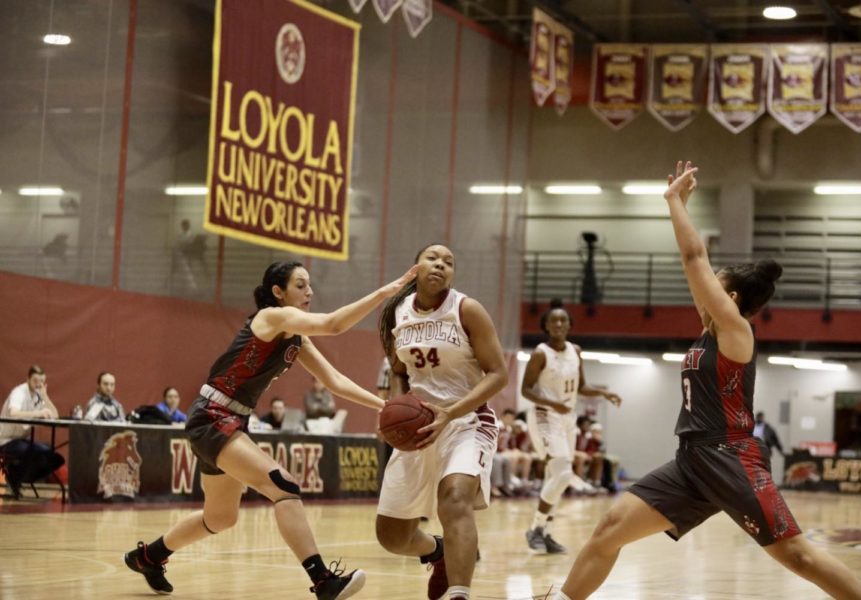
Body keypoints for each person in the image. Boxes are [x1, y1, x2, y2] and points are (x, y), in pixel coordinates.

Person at [553, 162, 861, 600]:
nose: (702, 289)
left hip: (731, 457)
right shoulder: (710, 330)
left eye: (714, 286)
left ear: (732, 298)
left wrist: (672, 203)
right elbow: (693, 266)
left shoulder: (736, 331)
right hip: (691, 461)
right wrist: (681, 210)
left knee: (797, 555)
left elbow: (694, 258)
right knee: (609, 530)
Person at [123, 259, 417, 599]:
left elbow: (334, 381)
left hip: (229, 419)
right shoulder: (272, 317)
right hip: (212, 415)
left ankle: (150, 556)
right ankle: (323, 581)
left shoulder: (296, 338)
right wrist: (386, 290)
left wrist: (385, 407)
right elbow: (334, 325)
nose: (310, 291)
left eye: (310, 285)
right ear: (278, 292)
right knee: (284, 486)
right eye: (301, 285)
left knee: (220, 518)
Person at [375, 244, 508, 600]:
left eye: (449, 262)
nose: (440, 265)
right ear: (416, 266)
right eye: (433, 258)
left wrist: (451, 412)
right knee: (391, 537)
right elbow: (399, 372)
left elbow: (498, 374)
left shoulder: (466, 310)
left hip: (467, 421)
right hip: (419, 427)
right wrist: (393, 411)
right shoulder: (397, 313)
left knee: (454, 499)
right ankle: (439, 552)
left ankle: (459, 593)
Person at [522, 299, 622, 554]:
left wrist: (604, 393)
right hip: (546, 416)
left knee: (554, 477)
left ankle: (545, 534)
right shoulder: (540, 353)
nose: (558, 324)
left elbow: (581, 387)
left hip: (567, 418)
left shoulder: (575, 350)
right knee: (564, 474)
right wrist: (552, 403)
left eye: (563, 320)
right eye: (553, 320)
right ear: (545, 325)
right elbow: (526, 390)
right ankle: (536, 527)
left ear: (569, 325)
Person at [0, 365, 64, 497]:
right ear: (28, 379)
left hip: (22, 440)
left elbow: (55, 415)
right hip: (5, 440)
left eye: (41, 382)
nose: (38, 384)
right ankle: (14, 475)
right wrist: (38, 413)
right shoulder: (19, 392)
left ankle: (17, 475)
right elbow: (13, 413)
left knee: (53, 456)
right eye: (35, 381)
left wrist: (45, 396)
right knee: (32, 451)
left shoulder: (38, 395)